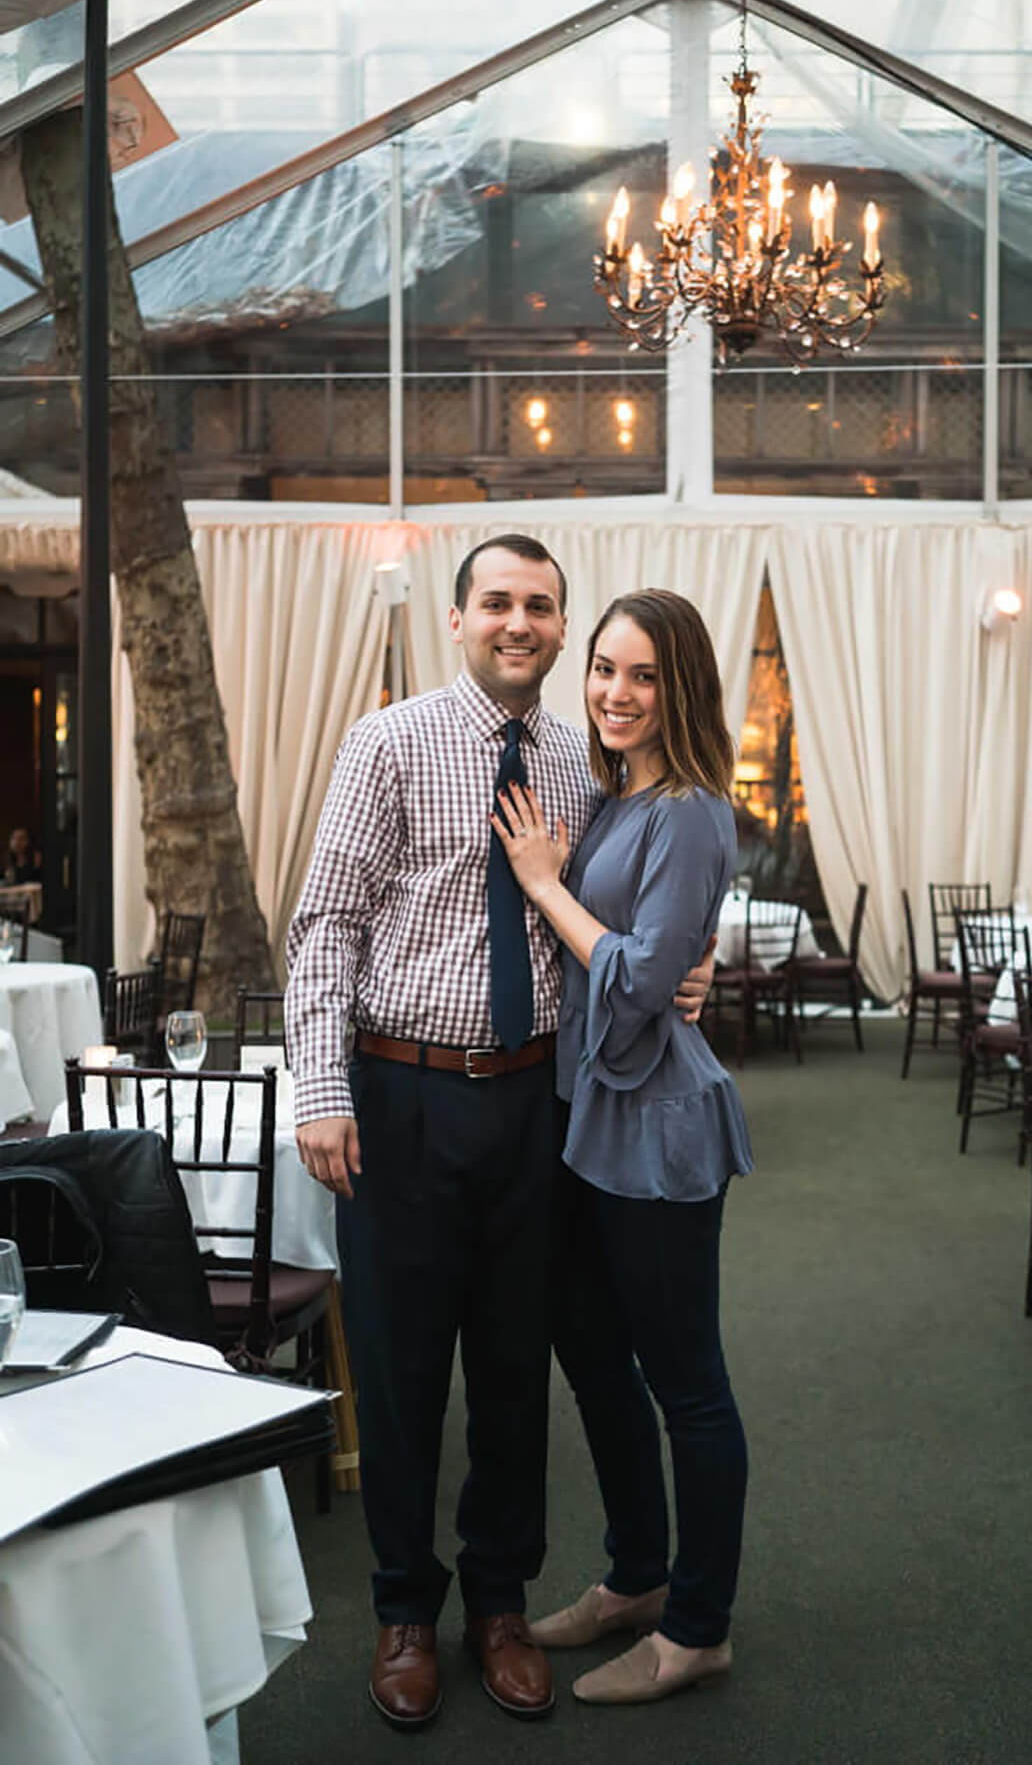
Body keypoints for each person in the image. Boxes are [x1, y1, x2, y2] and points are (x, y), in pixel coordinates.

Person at [285, 537, 713, 1732]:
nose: (518, 622)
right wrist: (320, 1085)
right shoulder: (390, 741)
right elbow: (325, 925)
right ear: (460, 616)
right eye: (498, 603)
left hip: (542, 1102)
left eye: (540, 605)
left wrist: (694, 961)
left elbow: (638, 897)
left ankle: (501, 1603)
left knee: (516, 1366)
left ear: (561, 623)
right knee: (405, 1362)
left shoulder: (591, 758)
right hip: (401, 1097)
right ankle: (404, 1610)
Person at [490, 588, 752, 1706]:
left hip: (658, 1125)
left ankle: (698, 1625)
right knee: (593, 1351)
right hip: (594, 1121)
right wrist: (681, 953)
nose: (615, 691)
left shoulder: (689, 806)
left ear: (678, 685)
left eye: (642, 674)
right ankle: (637, 1573)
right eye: (603, 668)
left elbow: (643, 981)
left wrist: (546, 885)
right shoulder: (611, 799)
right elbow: (656, 954)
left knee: (686, 1381)